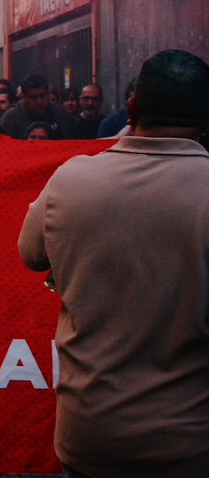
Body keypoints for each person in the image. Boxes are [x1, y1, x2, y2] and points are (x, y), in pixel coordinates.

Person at [19, 49, 209, 477]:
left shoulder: (72, 179)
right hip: (190, 442)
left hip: (92, 434)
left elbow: (31, 253)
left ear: (132, 108)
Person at [0, 73, 77, 139]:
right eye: (33, 98)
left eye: (42, 96)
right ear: (23, 97)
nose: (39, 101)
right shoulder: (12, 118)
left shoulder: (61, 114)